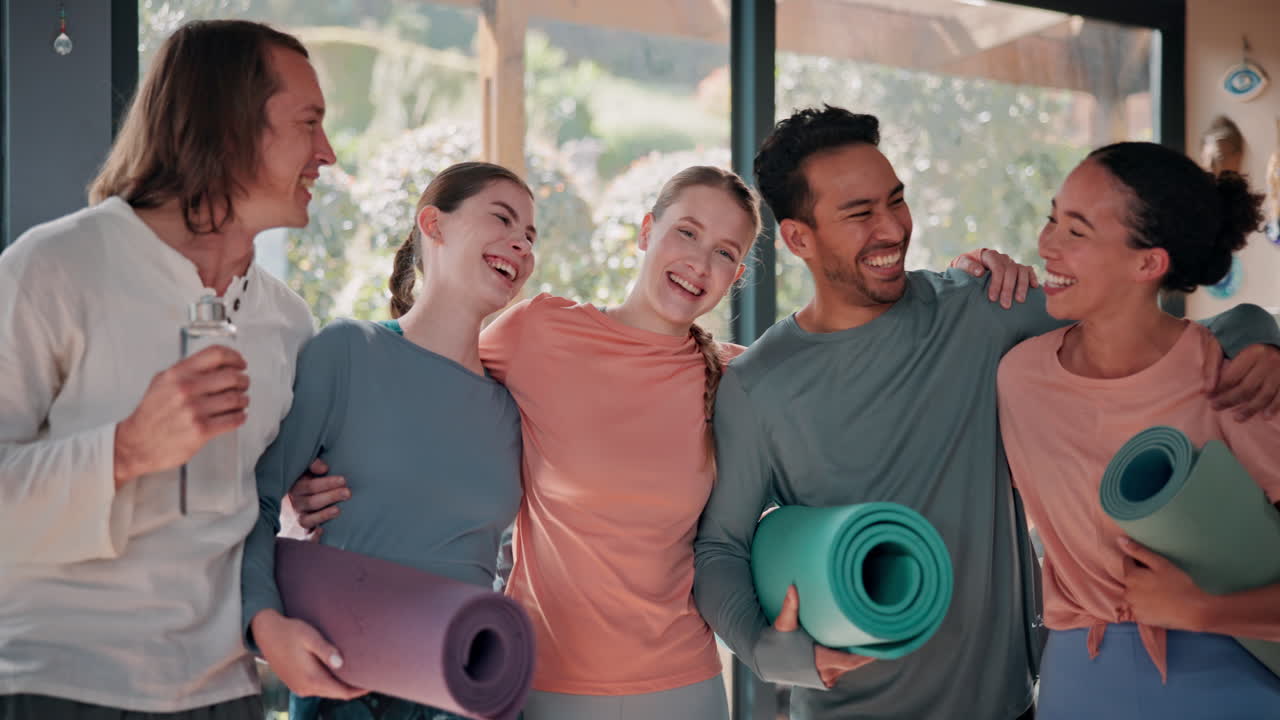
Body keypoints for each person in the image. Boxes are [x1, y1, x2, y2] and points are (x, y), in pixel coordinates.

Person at [286, 165, 1038, 718]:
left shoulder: (738, 381)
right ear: (647, 233)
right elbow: (421, 376)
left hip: (684, 685)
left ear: (737, 277)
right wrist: (315, 480)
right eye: (686, 233)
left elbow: (859, 384)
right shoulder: (539, 330)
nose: (699, 263)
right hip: (539, 678)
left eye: (725, 253)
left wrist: (966, 281)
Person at [692, 106, 1280, 720]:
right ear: (797, 238)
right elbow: (720, 550)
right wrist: (772, 653)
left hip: (1014, 705)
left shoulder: (984, 308)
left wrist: (1258, 332)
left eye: (896, 200)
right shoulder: (757, 385)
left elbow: (1148, 314)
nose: (892, 228)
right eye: (860, 214)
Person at [0, 20, 331, 719]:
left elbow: (260, 517)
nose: (327, 154)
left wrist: (306, 500)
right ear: (231, 129)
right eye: (309, 124)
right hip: (57, 687)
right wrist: (126, 450)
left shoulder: (290, 325)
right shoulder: (53, 267)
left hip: (226, 695)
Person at [241, 161, 535, 720]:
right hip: (347, 685)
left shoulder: (515, 409)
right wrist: (263, 621)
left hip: (471, 687)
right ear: (433, 225)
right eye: (503, 219)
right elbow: (255, 500)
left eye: (530, 236)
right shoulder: (348, 352)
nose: (520, 243)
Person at [997, 142, 1280, 719]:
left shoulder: (1235, 382)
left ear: (1147, 263)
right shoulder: (1019, 379)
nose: (1046, 243)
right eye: (1053, 217)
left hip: (1230, 679)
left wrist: (1203, 611)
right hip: (1080, 682)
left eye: (1076, 231)